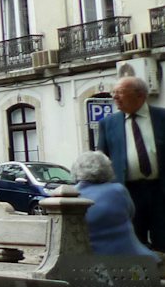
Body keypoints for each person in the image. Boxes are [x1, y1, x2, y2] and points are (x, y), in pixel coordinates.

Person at [95, 75, 165, 249]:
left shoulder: (162, 117)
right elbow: (101, 162)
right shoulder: (108, 124)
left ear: (139, 95)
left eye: (120, 92)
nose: (114, 97)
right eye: (114, 93)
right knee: (134, 243)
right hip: (128, 193)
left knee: (163, 238)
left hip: (160, 191)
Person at [71, 151, 155, 256]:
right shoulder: (118, 190)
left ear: (76, 171)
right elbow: (131, 214)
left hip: (93, 261)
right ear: (108, 169)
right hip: (133, 258)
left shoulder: (72, 195)